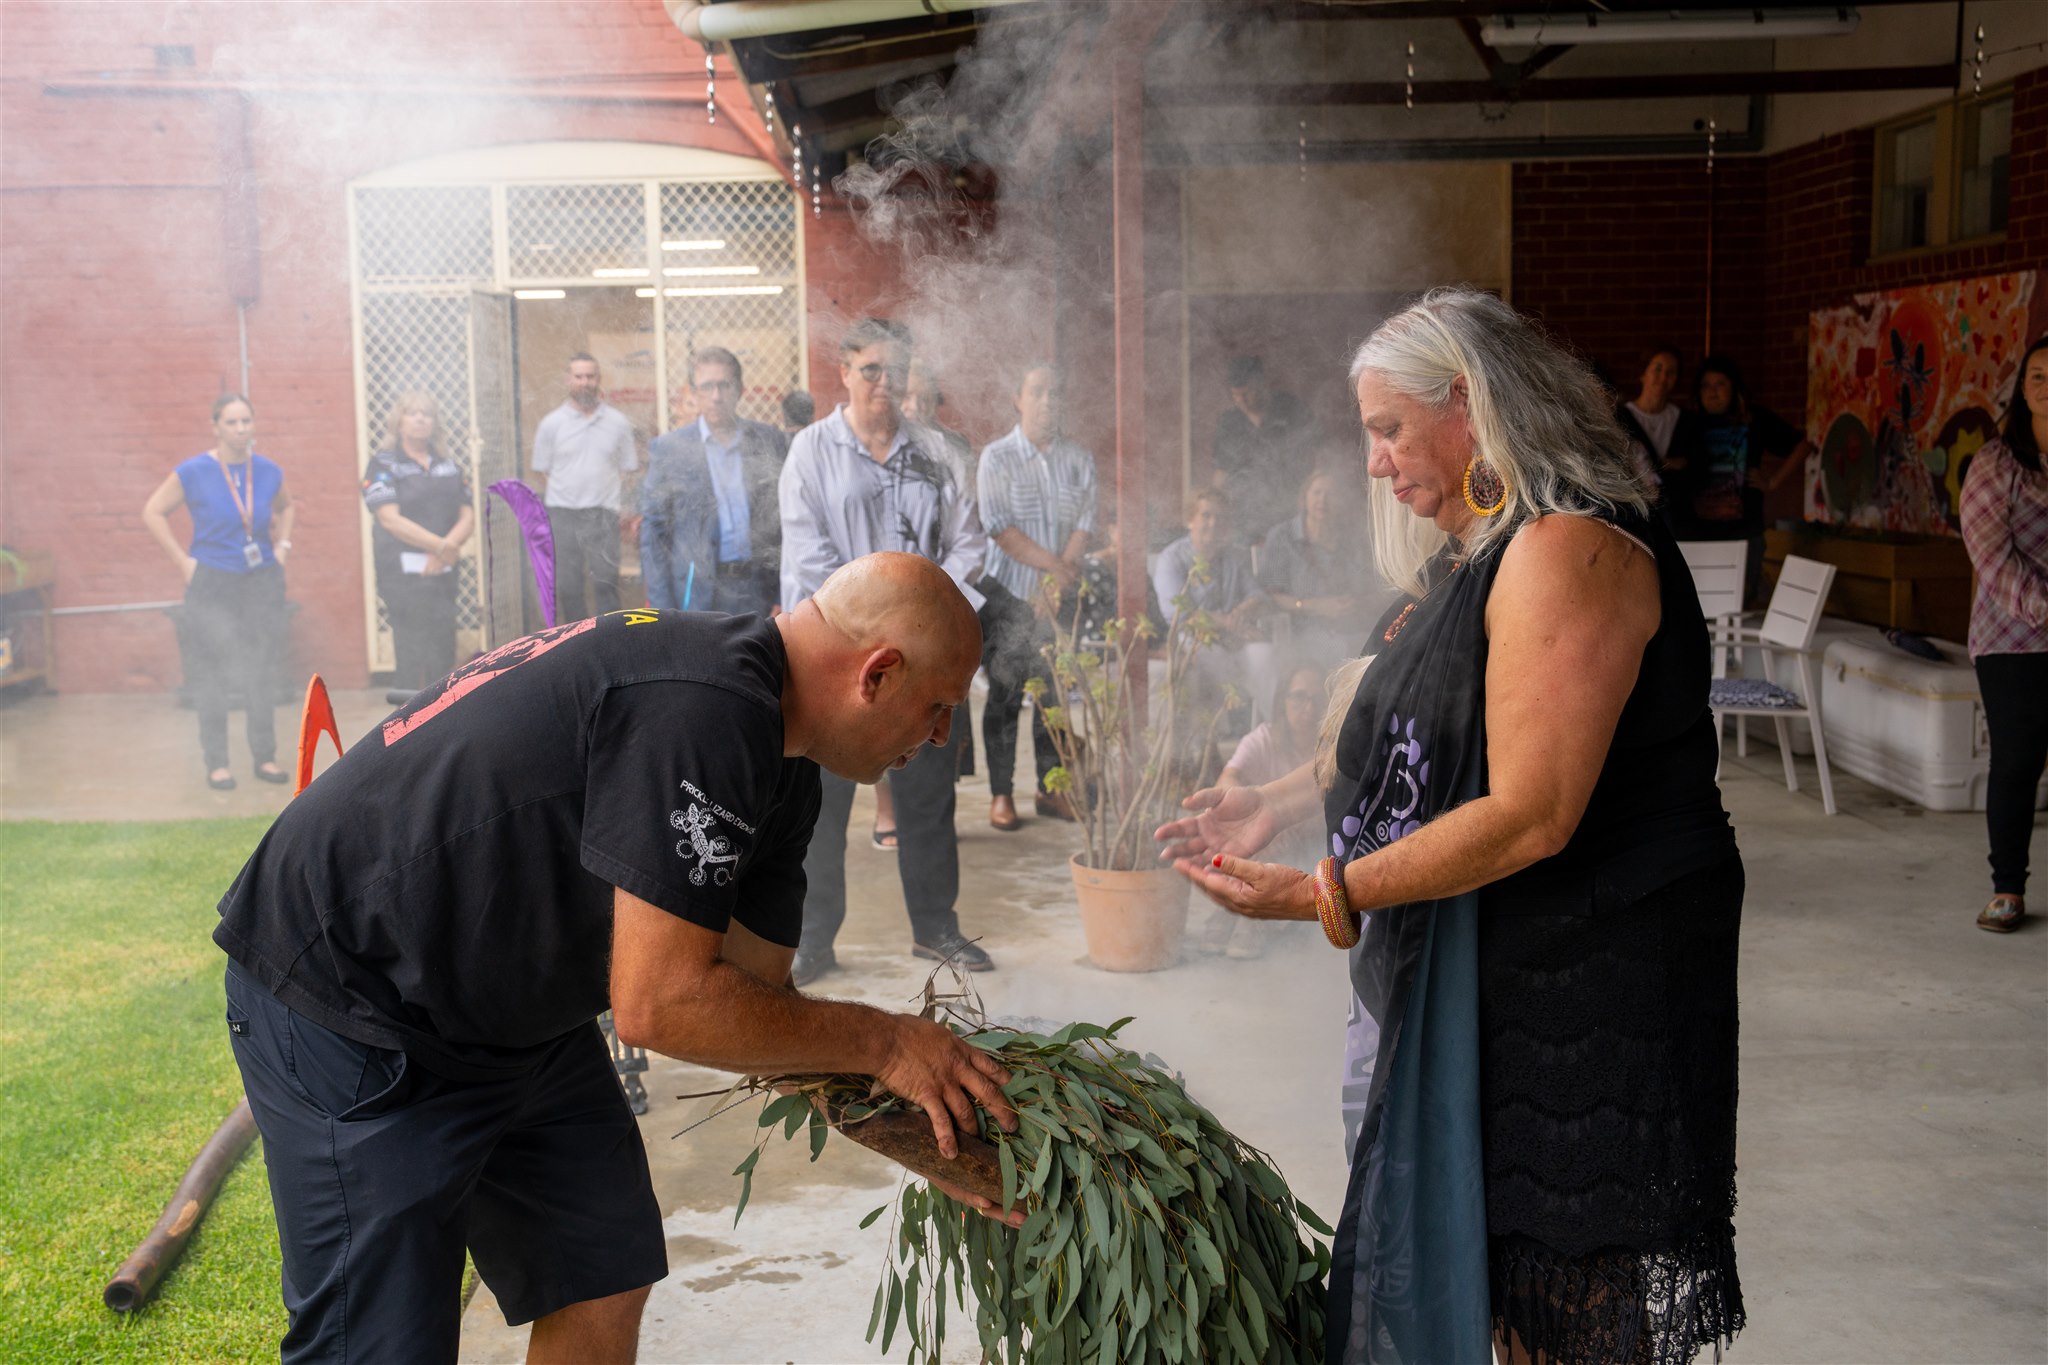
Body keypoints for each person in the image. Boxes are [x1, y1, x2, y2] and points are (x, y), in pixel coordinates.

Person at [215, 552, 1020, 1365]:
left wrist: (929, 1136)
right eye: (940, 706)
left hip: (509, 1010)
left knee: (600, 1270)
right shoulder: (705, 708)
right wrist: (886, 1042)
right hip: (352, 995)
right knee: (379, 1348)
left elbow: (759, 1006)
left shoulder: (784, 764)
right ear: (876, 673)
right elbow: (661, 1002)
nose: (944, 736)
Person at [1160, 288, 1745, 1365]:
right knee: (1498, 1288)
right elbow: (1424, 731)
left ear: (1469, 404)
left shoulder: (1567, 550)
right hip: (1509, 968)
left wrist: (1321, 890)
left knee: (1558, 1289)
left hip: (1589, 970)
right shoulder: (1490, 544)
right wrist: (1280, 802)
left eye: (1387, 429)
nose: (1374, 463)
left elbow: (1529, 811)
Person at [780, 319, 994, 985]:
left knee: (928, 795)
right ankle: (812, 938)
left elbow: (970, 545)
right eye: (870, 369)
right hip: (838, 668)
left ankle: (935, 926)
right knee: (822, 809)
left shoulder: (937, 452)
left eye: (894, 371)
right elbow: (807, 557)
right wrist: (875, 631)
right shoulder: (811, 453)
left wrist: (920, 631)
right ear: (843, 371)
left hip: (922, 666)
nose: (882, 383)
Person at [141, 394, 296, 791]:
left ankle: (264, 756)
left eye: (247, 421)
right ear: (216, 426)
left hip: (259, 579)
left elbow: (287, 507)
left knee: (260, 670)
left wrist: (282, 547)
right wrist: (182, 561)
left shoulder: (267, 470)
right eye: (232, 422)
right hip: (211, 581)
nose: (241, 429)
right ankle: (218, 763)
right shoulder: (194, 471)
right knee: (211, 673)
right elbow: (153, 511)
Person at [977, 362, 1096, 831]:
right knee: (1005, 695)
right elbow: (999, 529)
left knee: (1053, 698)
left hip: (1057, 596)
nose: (1049, 401)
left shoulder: (1079, 460)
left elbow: (1084, 524)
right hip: (1006, 594)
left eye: (1055, 392)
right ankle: (1001, 794)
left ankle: (1051, 789)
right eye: (1038, 392)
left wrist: (1055, 584)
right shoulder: (997, 457)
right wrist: (1055, 571)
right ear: (1018, 399)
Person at [1959, 335, 2048, 935]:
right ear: (2023, 388)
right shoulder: (1996, 462)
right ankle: (2007, 888)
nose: (2045, 384)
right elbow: (1989, 557)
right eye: (2037, 375)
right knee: (2017, 762)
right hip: (2010, 636)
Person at [640, 347, 789, 617]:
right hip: (695, 593)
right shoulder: (671, 449)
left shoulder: (769, 442)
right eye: (707, 387)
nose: (716, 396)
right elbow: (654, 534)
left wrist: (782, 593)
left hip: (756, 589)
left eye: (724, 385)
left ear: (740, 389)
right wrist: (662, 609)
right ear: (694, 393)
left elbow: (785, 522)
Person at [900, 358, 980, 788]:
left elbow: (967, 535)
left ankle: (938, 787)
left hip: (943, 594)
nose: (913, 406)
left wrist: (937, 595)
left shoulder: (953, 449)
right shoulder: (882, 452)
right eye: (906, 396)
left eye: (922, 396)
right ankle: (888, 809)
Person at [1672, 354, 1809, 601]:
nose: (1713, 392)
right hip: (1695, 535)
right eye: (1706, 386)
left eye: (1720, 384)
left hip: (1743, 533)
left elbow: (1802, 446)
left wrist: (1773, 482)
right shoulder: (1687, 422)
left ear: (1734, 388)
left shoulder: (1754, 418)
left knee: (1740, 604)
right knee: (1697, 604)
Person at [362, 392, 474, 689]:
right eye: (412, 413)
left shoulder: (447, 465)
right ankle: (407, 728)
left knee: (443, 654)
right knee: (411, 656)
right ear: (398, 422)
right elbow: (389, 519)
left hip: (443, 574)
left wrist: (445, 550)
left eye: (427, 413)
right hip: (403, 579)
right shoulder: (383, 464)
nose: (421, 418)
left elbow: (467, 515)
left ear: (435, 423)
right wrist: (440, 547)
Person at [531, 352, 639, 622]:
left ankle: (610, 642)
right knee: (569, 587)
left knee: (606, 583)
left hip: (603, 513)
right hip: (563, 515)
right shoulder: (551, 424)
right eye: (578, 376)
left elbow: (628, 470)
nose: (585, 382)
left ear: (599, 379)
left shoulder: (618, 423)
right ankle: (576, 644)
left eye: (590, 376)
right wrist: (568, 491)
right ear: (569, 380)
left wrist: (619, 504)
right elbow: (541, 471)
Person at [1255, 465, 1394, 674]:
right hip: (1301, 631)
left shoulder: (1352, 538)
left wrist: (1354, 604)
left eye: (1331, 494)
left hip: (1351, 628)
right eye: (1317, 492)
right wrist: (1315, 605)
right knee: (1338, 650)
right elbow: (1269, 595)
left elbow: (1370, 585)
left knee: (1383, 652)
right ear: (1305, 497)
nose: (1322, 500)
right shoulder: (1283, 537)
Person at [1153, 487, 1273, 714]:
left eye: (1221, 517)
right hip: (1193, 640)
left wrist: (1240, 613)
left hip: (1235, 638)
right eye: (1206, 515)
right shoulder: (1171, 559)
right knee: (1210, 655)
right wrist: (1230, 623)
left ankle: (1275, 728)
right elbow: (1179, 614)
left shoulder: (1234, 556)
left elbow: (1258, 596)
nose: (1214, 523)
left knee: (1263, 655)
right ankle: (1212, 737)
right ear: (1190, 520)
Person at [1212, 354, 1314, 537]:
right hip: (1244, 517)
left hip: (1290, 511)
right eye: (1236, 395)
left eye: (1247, 393)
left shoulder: (1292, 410)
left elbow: (1316, 463)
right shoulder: (1229, 424)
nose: (1242, 400)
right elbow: (1221, 475)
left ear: (1261, 383)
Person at [1614, 343, 1707, 521]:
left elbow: (1697, 468)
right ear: (1643, 373)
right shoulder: (1621, 418)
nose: (1663, 377)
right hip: (1636, 514)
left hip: (1678, 518)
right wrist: (1670, 464)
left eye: (1671, 372)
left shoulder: (1687, 421)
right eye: (1658, 369)